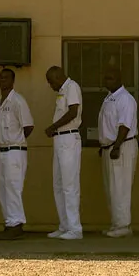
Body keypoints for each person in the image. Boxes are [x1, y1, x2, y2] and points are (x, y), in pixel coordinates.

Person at [98, 67, 138, 238]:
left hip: (121, 146)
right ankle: (116, 223)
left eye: (111, 78)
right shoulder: (109, 98)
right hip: (110, 147)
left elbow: (124, 125)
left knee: (120, 186)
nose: (108, 81)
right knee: (111, 188)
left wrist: (116, 146)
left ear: (120, 79)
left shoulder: (125, 99)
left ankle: (124, 225)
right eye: (106, 78)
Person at [44, 66, 83, 240]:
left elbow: (73, 111)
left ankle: (75, 228)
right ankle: (64, 225)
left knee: (69, 185)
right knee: (58, 184)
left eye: (51, 81)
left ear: (58, 77)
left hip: (68, 139)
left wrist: (53, 126)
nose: (50, 86)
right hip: (60, 140)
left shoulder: (71, 87)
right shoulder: (62, 90)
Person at [0, 68, 34, 240]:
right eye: (0, 77)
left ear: (13, 81)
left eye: (6, 78)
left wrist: (16, 140)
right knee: (2, 188)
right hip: (1, 151)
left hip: (14, 151)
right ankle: (9, 222)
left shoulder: (18, 101)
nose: (2, 80)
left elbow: (28, 126)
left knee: (13, 188)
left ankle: (16, 224)